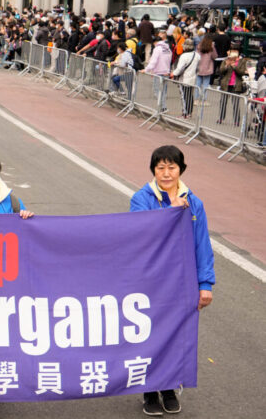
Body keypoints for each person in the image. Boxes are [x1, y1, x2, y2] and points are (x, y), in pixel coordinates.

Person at [130, 145, 214, 416]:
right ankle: (148, 390)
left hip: (181, 282)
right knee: (148, 333)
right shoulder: (142, 198)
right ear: (153, 170)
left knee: (174, 334)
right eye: (160, 167)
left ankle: (167, 387)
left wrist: (205, 285)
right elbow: (138, 234)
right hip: (150, 281)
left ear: (181, 170)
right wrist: (169, 213)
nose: (166, 173)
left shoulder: (195, 202)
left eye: (172, 167)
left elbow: (202, 245)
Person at [217, 42, 247, 125]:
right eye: (232, 51)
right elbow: (221, 71)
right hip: (226, 84)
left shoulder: (242, 61)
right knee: (223, 102)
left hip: (236, 85)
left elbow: (241, 72)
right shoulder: (226, 59)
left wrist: (234, 66)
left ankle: (236, 120)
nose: (233, 53)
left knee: (236, 104)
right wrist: (226, 65)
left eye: (235, 51)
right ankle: (221, 118)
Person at [170, 38, 200, 119]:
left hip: (184, 79)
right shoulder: (197, 55)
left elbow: (179, 69)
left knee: (184, 96)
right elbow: (198, 68)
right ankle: (189, 113)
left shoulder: (184, 56)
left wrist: (173, 73)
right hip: (192, 78)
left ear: (185, 47)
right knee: (190, 96)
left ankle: (185, 114)